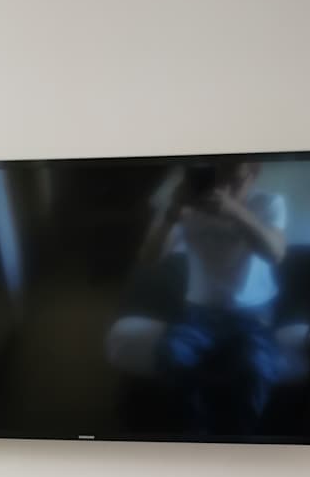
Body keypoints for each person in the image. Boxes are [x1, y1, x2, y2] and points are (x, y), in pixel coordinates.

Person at [106, 161, 288, 435]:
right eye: (217, 177)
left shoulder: (269, 203)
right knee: (173, 356)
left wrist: (235, 212)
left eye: (234, 179)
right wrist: (172, 214)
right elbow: (148, 257)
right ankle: (197, 438)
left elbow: (275, 253)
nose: (224, 187)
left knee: (256, 367)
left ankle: (242, 443)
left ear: (254, 174)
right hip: (200, 311)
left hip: (253, 313)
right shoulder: (190, 204)